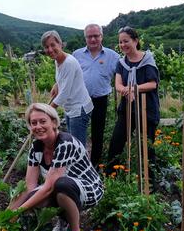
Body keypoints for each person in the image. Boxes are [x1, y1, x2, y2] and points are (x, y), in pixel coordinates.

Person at [9, 103, 103, 231]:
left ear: (53, 122)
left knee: (61, 186)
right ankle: (65, 218)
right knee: (34, 198)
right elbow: (28, 186)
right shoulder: (36, 147)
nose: (38, 126)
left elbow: (49, 187)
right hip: (61, 186)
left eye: (42, 121)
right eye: (34, 123)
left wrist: (18, 212)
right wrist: (7, 215)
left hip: (89, 187)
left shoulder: (65, 143)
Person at [105, 26, 160, 186]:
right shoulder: (122, 63)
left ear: (135, 41)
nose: (123, 45)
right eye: (120, 42)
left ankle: (149, 182)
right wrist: (125, 90)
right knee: (117, 141)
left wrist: (133, 88)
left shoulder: (147, 60)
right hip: (128, 108)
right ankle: (110, 177)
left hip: (146, 109)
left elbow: (152, 84)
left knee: (146, 145)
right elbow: (118, 84)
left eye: (126, 41)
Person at [72, 23, 119, 166]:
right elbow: (69, 74)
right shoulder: (77, 55)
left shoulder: (113, 56)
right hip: (80, 99)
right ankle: (79, 164)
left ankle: (95, 165)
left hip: (100, 99)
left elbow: (123, 74)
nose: (93, 39)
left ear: (101, 37)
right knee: (79, 133)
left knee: (98, 133)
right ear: (85, 38)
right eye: (89, 36)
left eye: (96, 36)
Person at [42, 30, 93, 146]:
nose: (50, 49)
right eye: (46, 47)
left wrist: (47, 111)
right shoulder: (57, 60)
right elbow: (63, 78)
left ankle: (81, 164)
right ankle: (75, 163)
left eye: (53, 45)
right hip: (71, 107)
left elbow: (64, 93)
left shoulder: (69, 62)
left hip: (79, 108)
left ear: (60, 44)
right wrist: (57, 84)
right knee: (72, 142)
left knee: (78, 146)